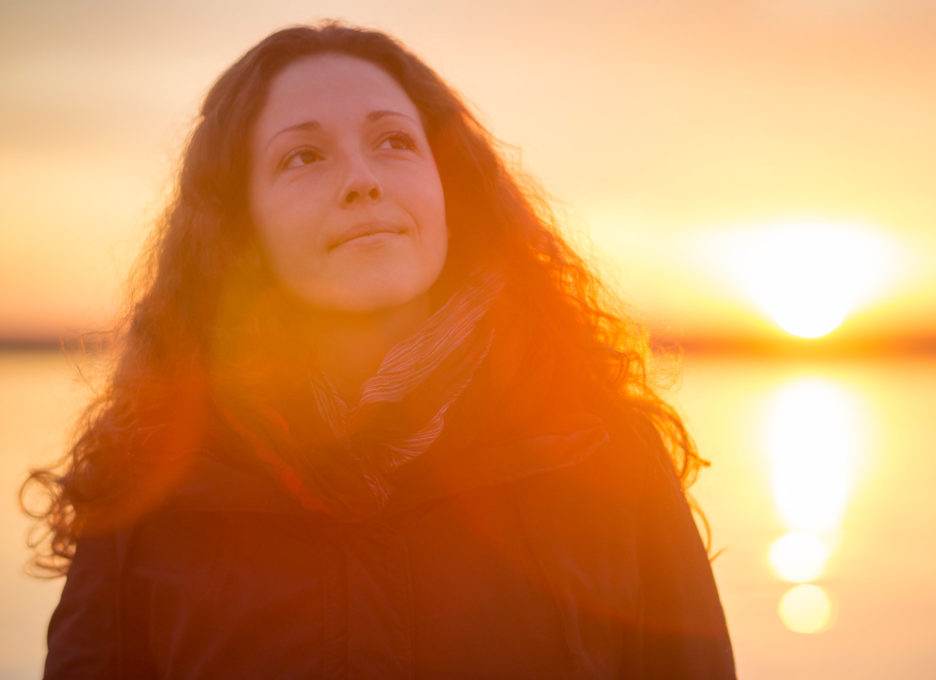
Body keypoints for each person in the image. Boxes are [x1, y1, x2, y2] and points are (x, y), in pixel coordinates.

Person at [25, 21, 735, 679]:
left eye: (394, 142)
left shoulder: (601, 456)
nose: (363, 180)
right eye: (303, 156)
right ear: (242, 227)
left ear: (447, 185)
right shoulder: (151, 488)